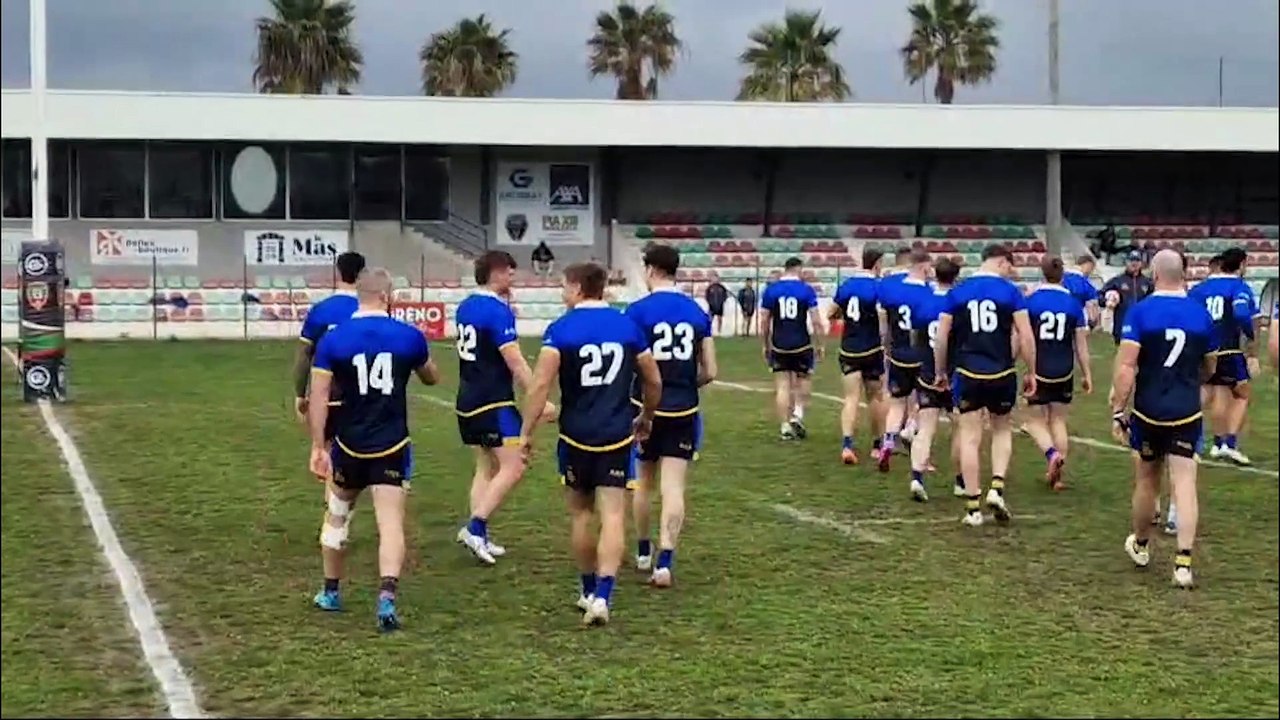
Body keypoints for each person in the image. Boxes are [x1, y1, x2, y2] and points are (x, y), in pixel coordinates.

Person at [518, 262, 663, 627]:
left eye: (565, 287)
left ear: (579, 288)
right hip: (616, 434)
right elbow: (654, 380)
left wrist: (526, 433)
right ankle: (604, 595)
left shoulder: (561, 330)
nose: (562, 293)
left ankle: (586, 590)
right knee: (613, 513)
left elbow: (539, 386)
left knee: (582, 514)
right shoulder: (628, 327)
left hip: (575, 435)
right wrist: (647, 415)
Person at [306, 268, 440, 632]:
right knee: (391, 523)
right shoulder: (409, 336)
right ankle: (386, 596)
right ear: (388, 296)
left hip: (349, 443)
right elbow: (432, 376)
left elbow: (318, 396)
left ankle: (331, 592)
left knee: (337, 514)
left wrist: (318, 446)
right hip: (391, 445)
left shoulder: (334, 340)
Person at [1111, 249, 1216, 589]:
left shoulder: (1141, 312)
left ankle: (1141, 544)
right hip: (1186, 408)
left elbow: (1127, 365)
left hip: (1148, 409)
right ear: (1183, 274)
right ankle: (1183, 563)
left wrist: (1118, 409)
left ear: (1154, 274)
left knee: (1146, 479)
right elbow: (1210, 366)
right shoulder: (1200, 315)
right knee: (1185, 482)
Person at [453, 251, 556, 565]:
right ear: (496, 273)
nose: (513, 277)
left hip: (467, 399)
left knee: (486, 467)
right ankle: (475, 526)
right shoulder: (496, 312)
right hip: (493, 401)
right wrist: (539, 399)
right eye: (510, 272)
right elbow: (515, 361)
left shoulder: (466, 305)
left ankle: (479, 534)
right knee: (514, 465)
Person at [625, 245, 717, 588]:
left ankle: (643, 551)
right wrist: (683, 384)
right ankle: (665, 561)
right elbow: (711, 370)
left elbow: (629, 363)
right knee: (674, 485)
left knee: (643, 482)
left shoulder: (636, 312)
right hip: (683, 407)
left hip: (644, 408)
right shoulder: (696, 311)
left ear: (651, 270)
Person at [932, 244, 1036, 526]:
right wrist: (1032, 371)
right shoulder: (1010, 292)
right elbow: (1025, 335)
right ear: (1002, 262)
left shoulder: (958, 291)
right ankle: (997, 487)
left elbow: (942, 336)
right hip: (1001, 371)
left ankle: (972, 507)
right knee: (1002, 429)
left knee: (970, 437)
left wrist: (941, 370)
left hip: (967, 371)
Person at [1024, 255, 1093, 491]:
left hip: (1039, 367)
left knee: (1033, 421)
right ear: (1062, 275)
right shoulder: (1074, 304)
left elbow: (1022, 336)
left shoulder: (1031, 300)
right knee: (1059, 420)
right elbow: (1081, 344)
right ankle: (1058, 476)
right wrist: (1087, 373)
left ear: (1042, 273)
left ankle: (1052, 454)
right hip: (1064, 369)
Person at [1187, 247, 1261, 466]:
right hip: (1228, 348)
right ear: (1241, 264)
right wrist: (1250, 336)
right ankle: (1228, 443)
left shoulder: (1200, 288)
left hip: (1202, 348)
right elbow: (1241, 313)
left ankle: (1213, 443)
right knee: (1242, 394)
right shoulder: (1238, 286)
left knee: (1216, 392)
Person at [875, 248, 934, 473]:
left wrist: (886, 345)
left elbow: (885, 321)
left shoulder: (892, 290)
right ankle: (911, 433)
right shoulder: (928, 293)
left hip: (898, 353)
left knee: (898, 402)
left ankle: (888, 441)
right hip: (921, 355)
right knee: (926, 404)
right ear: (922, 266)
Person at [906, 256, 960, 502]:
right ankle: (961, 481)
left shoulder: (923, 302)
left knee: (926, 427)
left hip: (927, 371)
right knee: (962, 428)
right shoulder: (958, 304)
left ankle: (917, 477)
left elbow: (914, 336)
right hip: (955, 373)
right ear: (956, 277)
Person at [829, 248, 887, 465]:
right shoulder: (878, 286)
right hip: (871, 347)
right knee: (875, 397)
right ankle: (876, 445)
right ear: (877, 263)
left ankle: (847, 445)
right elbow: (883, 316)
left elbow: (831, 313)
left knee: (851, 398)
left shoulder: (847, 285)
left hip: (849, 348)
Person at [760, 257, 824, 440]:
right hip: (801, 344)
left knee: (782, 385)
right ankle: (798, 413)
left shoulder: (771, 290)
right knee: (804, 379)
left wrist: (765, 344)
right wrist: (820, 344)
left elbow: (764, 321)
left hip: (779, 345)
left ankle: (784, 426)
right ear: (798, 269)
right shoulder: (806, 290)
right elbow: (816, 320)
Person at [1101, 250, 1154, 346]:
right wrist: (1108, 301)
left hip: (1142, 325)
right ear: (1126, 262)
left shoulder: (1147, 282)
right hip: (1122, 325)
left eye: (1137, 261)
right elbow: (1100, 296)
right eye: (1131, 260)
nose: (1134, 263)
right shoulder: (1117, 281)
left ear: (1141, 263)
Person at [1062, 254, 1101, 328]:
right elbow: (1092, 304)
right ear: (1087, 265)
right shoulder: (1085, 283)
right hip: (1078, 317)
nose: (1091, 271)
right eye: (1091, 268)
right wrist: (1094, 321)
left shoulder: (1061, 277)